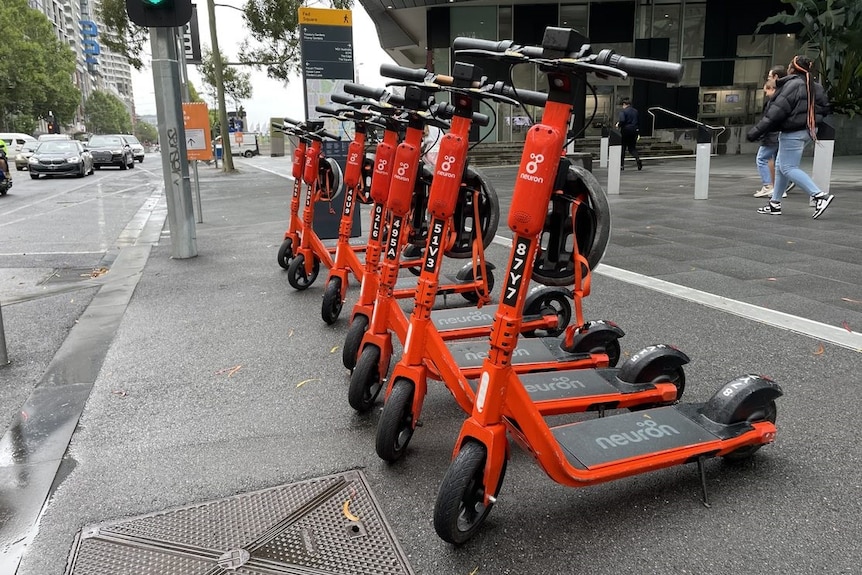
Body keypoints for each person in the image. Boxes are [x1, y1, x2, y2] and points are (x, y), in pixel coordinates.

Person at [746, 55, 833, 218]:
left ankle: (819, 196)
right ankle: (775, 203)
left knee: (788, 168)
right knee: (780, 166)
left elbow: (776, 112)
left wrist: (756, 131)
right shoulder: (815, 86)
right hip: (808, 130)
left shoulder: (792, 85)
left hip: (793, 131)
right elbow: (825, 107)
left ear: (792, 69)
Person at [616, 98, 642, 170]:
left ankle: (622, 165)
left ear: (624, 104)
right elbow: (638, 121)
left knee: (623, 148)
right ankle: (637, 159)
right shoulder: (636, 111)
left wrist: (618, 125)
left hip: (626, 131)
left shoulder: (623, 112)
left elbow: (622, 120)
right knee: (632, 148)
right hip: (634, 130)